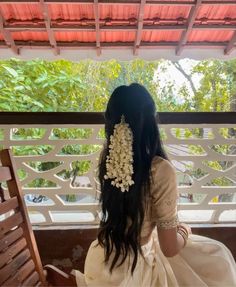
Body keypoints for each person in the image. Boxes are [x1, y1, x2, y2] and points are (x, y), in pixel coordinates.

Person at [73, 83, 236, 287]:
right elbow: (169, 248)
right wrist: (184, 230)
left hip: (101, 261)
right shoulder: (159, 169)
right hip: (138, 271)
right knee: (218, 257)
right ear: (150, 122)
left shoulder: (108, 161)